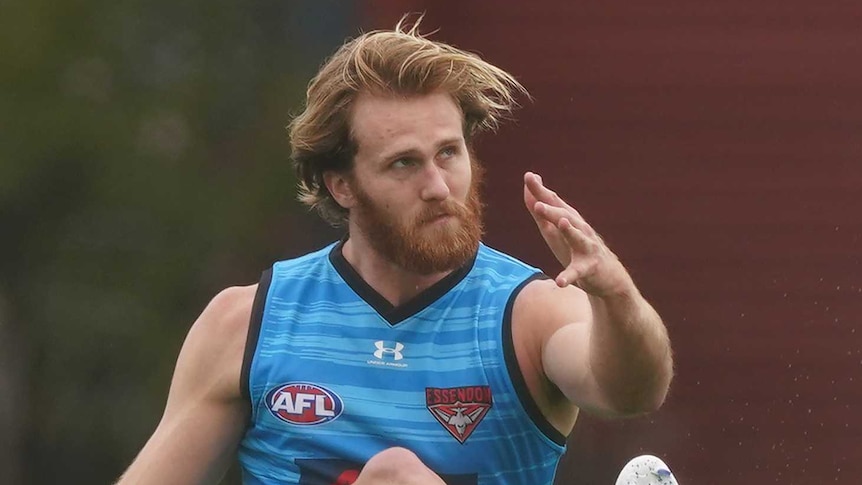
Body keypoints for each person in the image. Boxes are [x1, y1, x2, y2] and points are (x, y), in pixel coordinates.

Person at [117, 15, 674, 485]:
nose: (438, 186)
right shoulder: (247, 325)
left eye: (449, 153)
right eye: (404, 163)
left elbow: (632, 391)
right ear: (342, 185)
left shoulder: (531, 313)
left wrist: (615, 292)